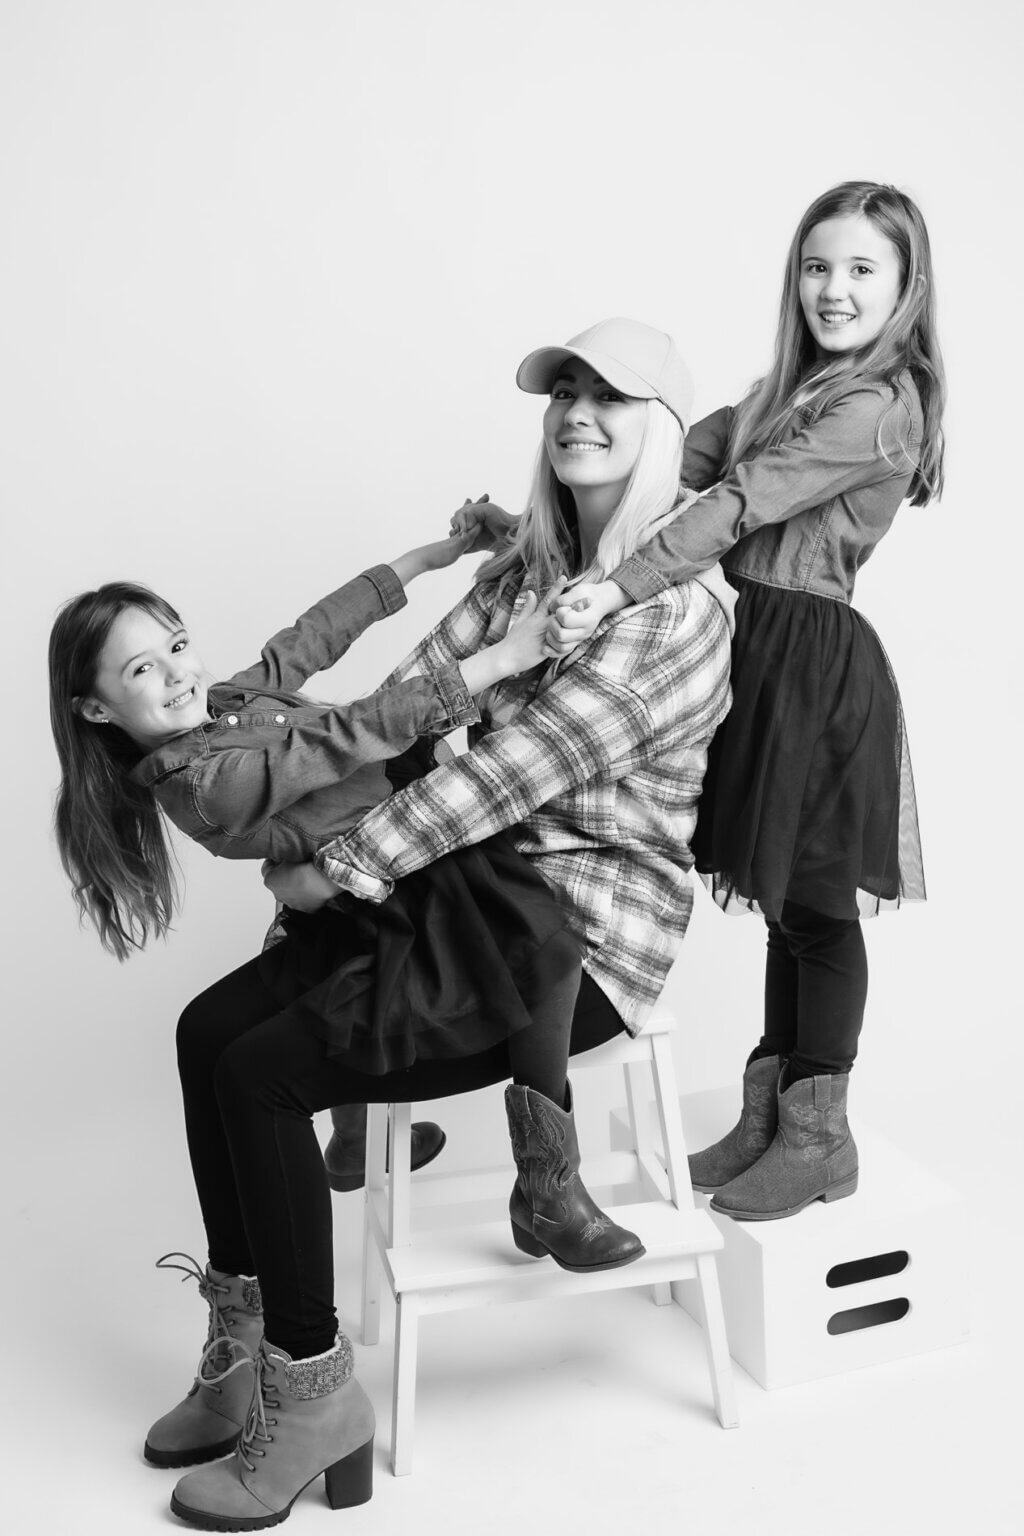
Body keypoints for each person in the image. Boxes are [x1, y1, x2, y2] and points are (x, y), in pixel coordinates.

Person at [54, 317, 734, 1528]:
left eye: (609, 400)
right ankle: (246, 1348)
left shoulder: (674, 615)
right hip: (440, 899)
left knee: (262, 1077)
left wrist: (339, 870)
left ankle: (317, 1398)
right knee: (206, 1035)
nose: (575, 412)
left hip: (563, 938)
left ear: (661, 435)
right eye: (562, 392)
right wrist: (354, 834)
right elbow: (405, 705)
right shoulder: (521, 575)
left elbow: (496, 773)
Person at [471, 183, 945, 1224]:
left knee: (816, 906)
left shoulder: (873, 405)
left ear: (906, 288)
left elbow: (738, 500)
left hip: (813, 664)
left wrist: (622, 580)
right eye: (817, 265)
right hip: (762, 648)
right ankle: (772, 1108)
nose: (833, 288)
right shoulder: (790, 388)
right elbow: (676, 458)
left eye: (862, 269)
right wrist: (551, 514)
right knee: (784, 904)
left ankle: (821, 1133)